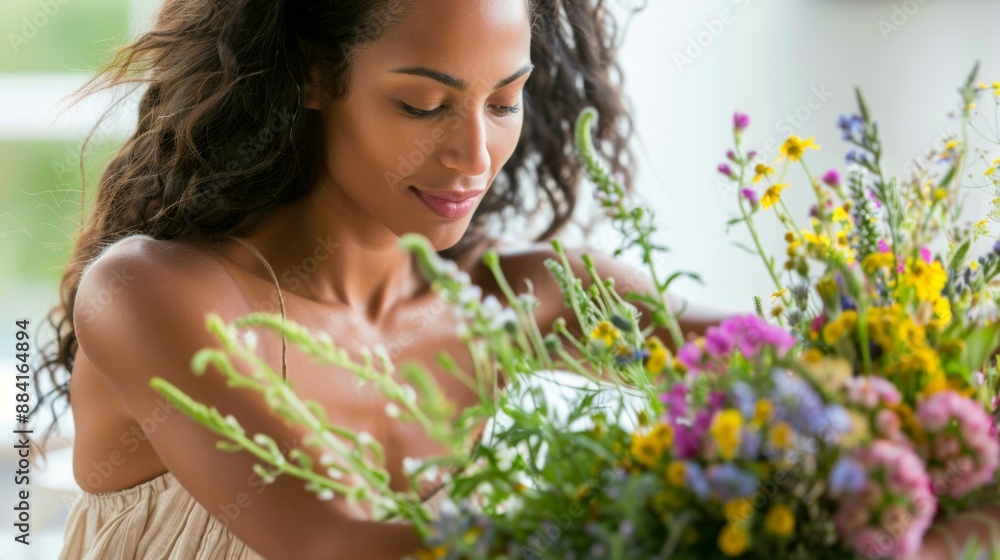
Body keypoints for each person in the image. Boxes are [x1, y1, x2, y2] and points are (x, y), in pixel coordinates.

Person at [30, 0, 998, 558]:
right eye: (421, 103)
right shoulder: (152, 290)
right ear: (312, 77)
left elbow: (797, 373)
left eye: (505, 102)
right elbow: (335, 544)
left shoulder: (519, 296)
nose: (472, 153)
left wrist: (927, 422)